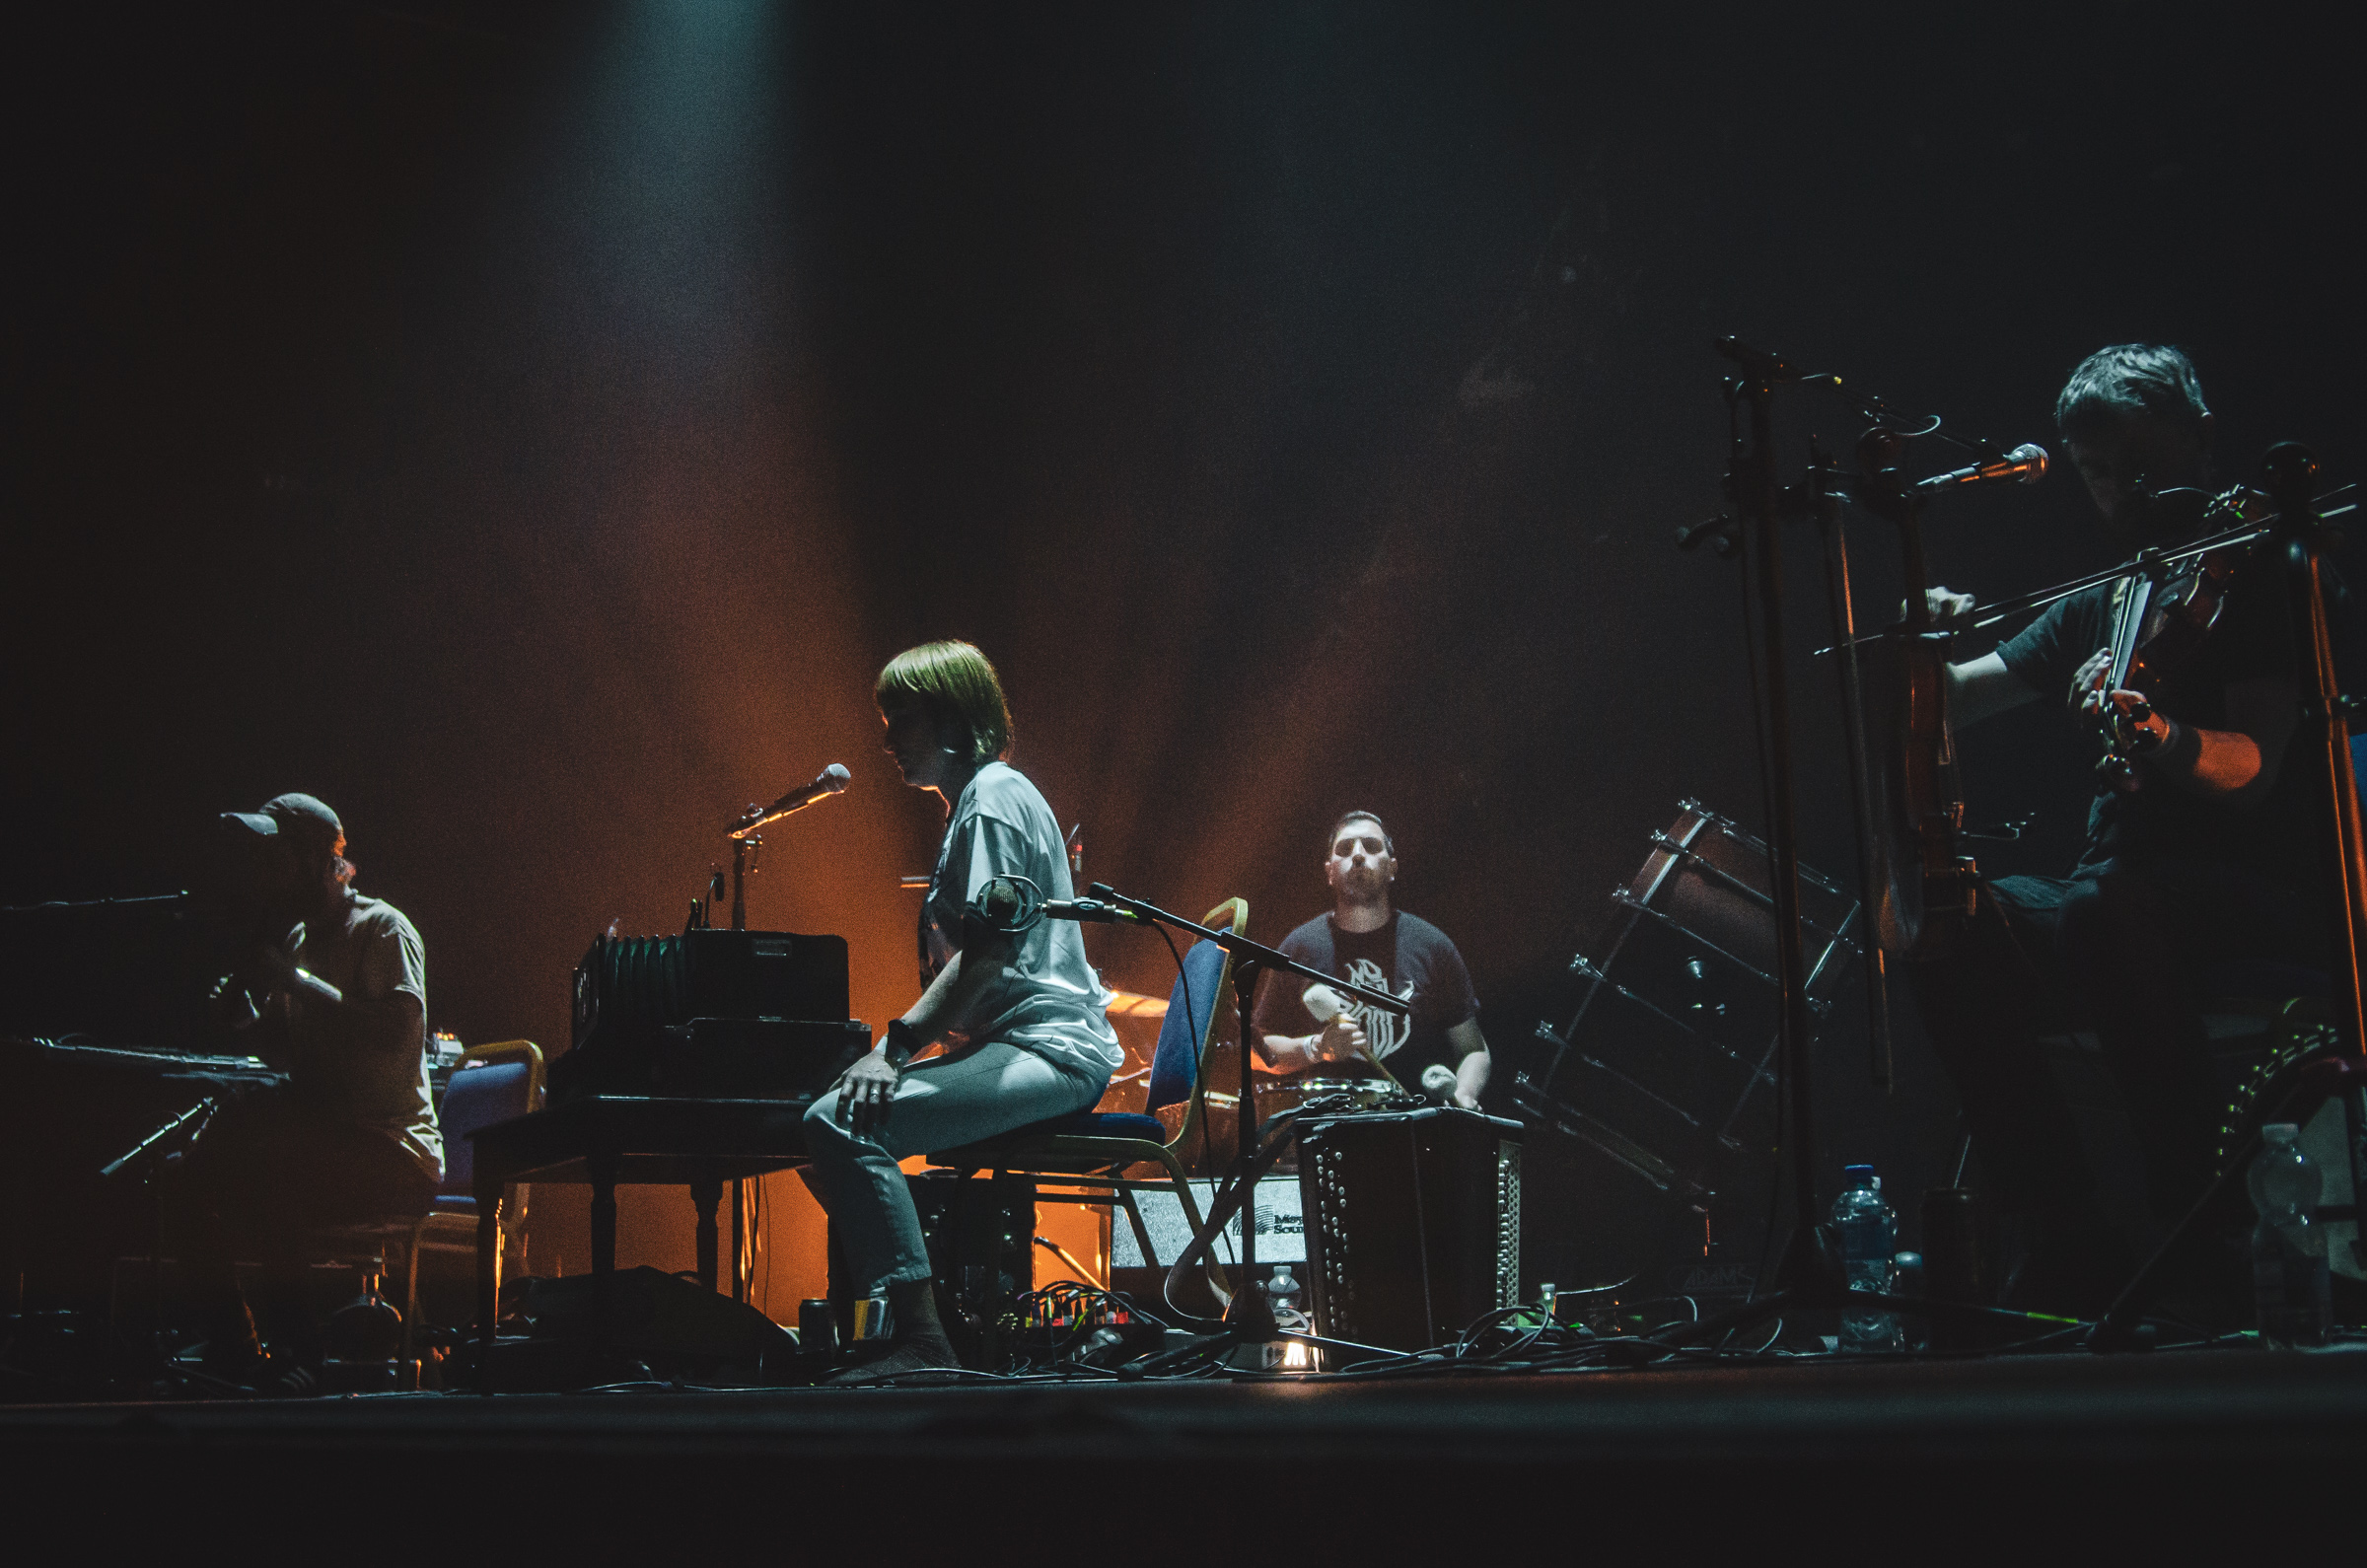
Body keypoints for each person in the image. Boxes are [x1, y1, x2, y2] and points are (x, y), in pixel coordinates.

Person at [1913, 343, 2330, 1315]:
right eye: (2103, 474)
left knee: (2105, 908)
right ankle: (2068, 1230)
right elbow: (1954, 702)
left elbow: (2253, 771)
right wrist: (1912, 643)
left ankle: (2201, 1223)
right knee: (1948, 920)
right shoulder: (2112, 598)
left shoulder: (2259, 577)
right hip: (2122, 902)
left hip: (2249, 894)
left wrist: (2158, 732)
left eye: (2147, 463)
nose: (2127, 494)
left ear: (2200, 442)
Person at [801, 641, 1121, 1380]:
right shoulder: (977, 804)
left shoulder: (993, 798)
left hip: (1051, 1052)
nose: (885, 741)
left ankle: (922, 1339)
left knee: (835, 1124)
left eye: (900, 719)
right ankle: (918, 1305)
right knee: (823, 1126)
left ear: (951, 716)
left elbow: (991, 956)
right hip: (1018, 1046)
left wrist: (896, 1049)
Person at [175, 793, 442, 1379]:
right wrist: (247, 1020)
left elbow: (396, 1034)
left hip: (393, 1152)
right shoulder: (298, 939)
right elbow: (297, 1055)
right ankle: (239, 1348)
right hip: (329, 1141)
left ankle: (302, 1360)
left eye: (280, 858)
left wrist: (293, 982)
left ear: (322, 862)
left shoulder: (382, 929)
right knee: (187, 1177)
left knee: (276, 1177)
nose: (267, 873)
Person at [1250, 811, 1491, 1108]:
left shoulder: (1433, 945)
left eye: (1372, 846)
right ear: (1329, 871)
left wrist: (1464, 1096)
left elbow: (1474, 1051)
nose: (1359, 855)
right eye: (1345, 848)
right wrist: (1316, 1048)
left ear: (1392, 867)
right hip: (1324, 1132)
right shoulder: (1299, 947)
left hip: (1416, 1132)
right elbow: (1256, 1053)